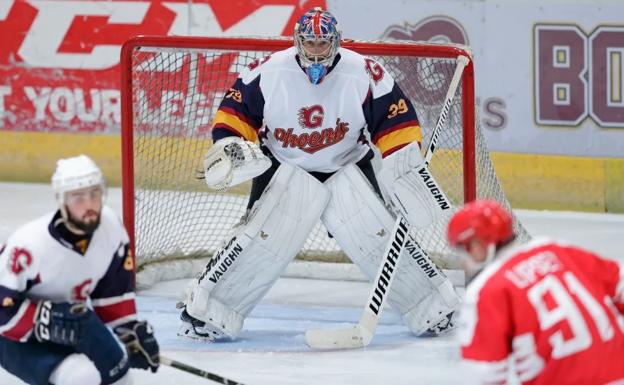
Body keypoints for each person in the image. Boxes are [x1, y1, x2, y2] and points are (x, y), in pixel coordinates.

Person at [179, 7, 461, 342]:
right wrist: (230, 145)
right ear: (297, 41)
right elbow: (234, 114)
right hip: (283, 166)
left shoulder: (364, 72)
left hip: (348, 164)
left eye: (322, 43)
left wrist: (404, 163)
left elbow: (394, 121)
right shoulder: (268, 72)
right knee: (258, 241)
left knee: (380, 238)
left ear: (336, 42)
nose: (315, 50)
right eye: (309, 43)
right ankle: (209, 311)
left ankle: (432, 307)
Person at [0, 155, 159, 385]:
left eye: (95, 194)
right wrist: (44, 320)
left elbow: (112, 294)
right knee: (81, 377)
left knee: (121, 377)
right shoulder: (29, 246)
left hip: (76, 322)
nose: (89, 205)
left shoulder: (111, 228)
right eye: (78, 198)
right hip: (14, 336)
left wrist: (130, 333)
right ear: (61, 201)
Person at [447, 199, 624, 385]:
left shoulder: (486, 290)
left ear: (478, 245)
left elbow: (483, 375)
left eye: (462, 251)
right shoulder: (554, 247)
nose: (462, 262)